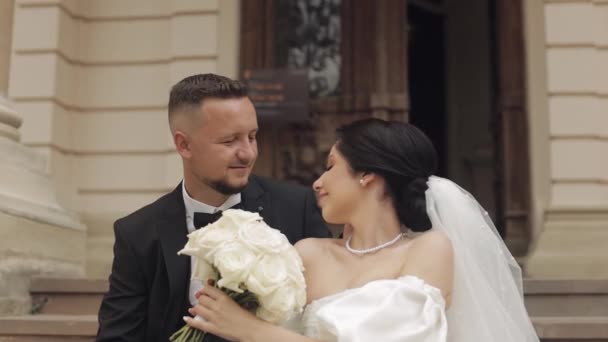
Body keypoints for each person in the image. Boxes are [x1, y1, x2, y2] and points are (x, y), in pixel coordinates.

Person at [184, 118, 540, 342]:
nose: (318, 182)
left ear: (367, 174)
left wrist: (252, 331)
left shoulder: (429, 250)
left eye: (331, 167)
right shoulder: (308, 252)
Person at [96, 74, 330, 342]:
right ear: (184, 145)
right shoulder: (137, 233)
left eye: (252, 137)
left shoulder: (297, 208)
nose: (248, 153)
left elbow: (327, 318)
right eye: (229, 141)